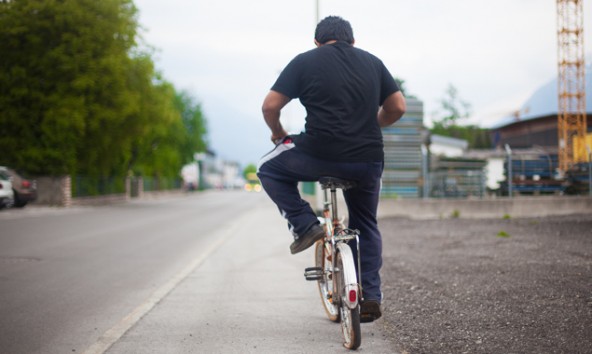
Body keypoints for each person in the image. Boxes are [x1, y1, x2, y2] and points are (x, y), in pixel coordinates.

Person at [256, 15, 406, 323]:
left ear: (316, 42)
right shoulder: (373, 63)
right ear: (353, 40)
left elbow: (270, 106)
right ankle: (371, 296)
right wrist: (372, 123)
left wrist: (278, 132)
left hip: (318, 154)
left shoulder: (305, 61)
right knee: (366, 222)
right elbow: (398, 108)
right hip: (367, 159)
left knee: (267, 168)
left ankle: (304, 224)